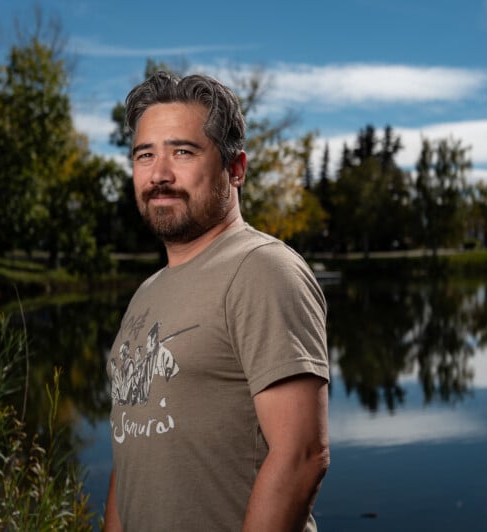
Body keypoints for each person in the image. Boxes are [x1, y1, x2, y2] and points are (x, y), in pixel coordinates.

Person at [104, 71, 330, 531]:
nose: (159, 174)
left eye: (182, 152)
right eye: (145, 155)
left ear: (236, 169)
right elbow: (131, 458)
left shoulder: (262, 270)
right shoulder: (147, 293)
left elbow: (303, 455)